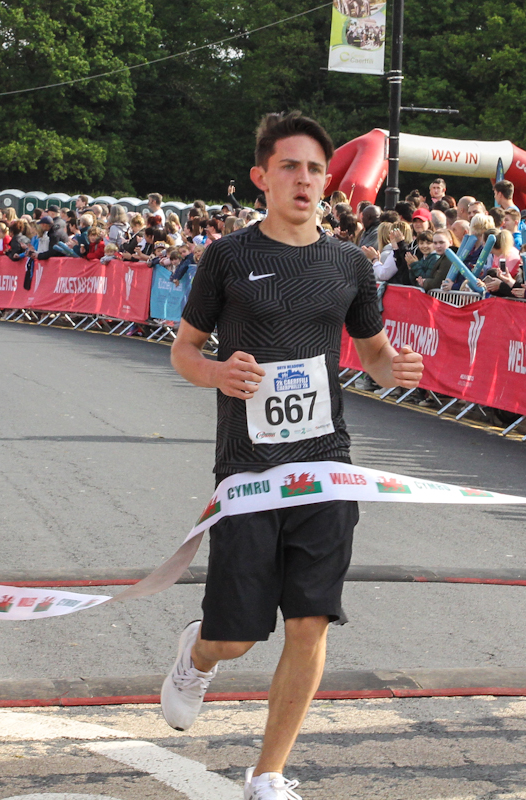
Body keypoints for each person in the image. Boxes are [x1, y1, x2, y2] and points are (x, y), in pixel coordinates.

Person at [165, 111, 423, 800]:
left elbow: (372, 354)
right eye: (290, 167)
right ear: (262, 177)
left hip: (325, 463)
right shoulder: (227, 257)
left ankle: (269, 773)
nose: (305, 180)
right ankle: (198, 654)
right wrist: (217, 372)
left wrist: (392, 369)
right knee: (238, 636)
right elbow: (184, 351)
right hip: (249, 468)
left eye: (315, 169)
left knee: (310, 622)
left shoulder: (350, 264)